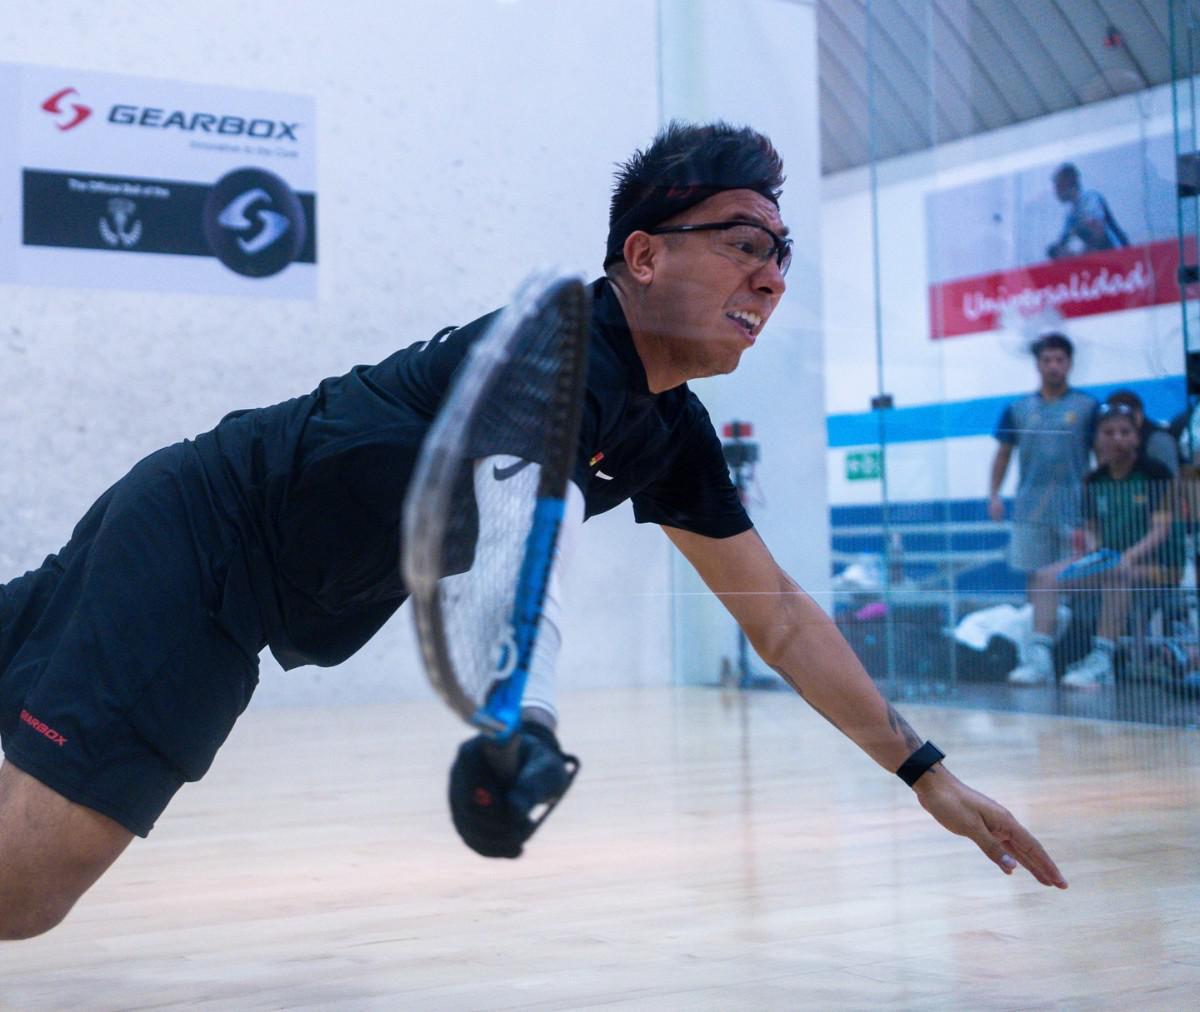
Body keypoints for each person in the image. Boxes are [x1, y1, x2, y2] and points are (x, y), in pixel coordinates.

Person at [0, 122, 1067, 941]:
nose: (773, 274)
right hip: (200, 555)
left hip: (202, 548)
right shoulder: (557, 346)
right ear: (642, 256)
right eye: (746, 244)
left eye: (782, 253)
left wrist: (927, 770)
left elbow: (779, 618)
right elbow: (519, 531)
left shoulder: (664, 430)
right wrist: (529, 717)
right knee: (26, 883)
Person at [1007, 402, 1184, 688]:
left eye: (1125, 432)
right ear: (1098, 438)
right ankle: (1039, 661)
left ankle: (1102, 662)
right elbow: (1092, 533)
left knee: (1117, 571)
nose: (1117, 438)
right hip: (1111, 561)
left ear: (1136, 437)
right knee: (1045, 577)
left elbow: (1160, 531)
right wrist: (1093, 549)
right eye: (1108, 432)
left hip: (1158, 567)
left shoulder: (1156, 473)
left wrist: (1124, 557)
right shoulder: (1092, 480)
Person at [989, 333, 1098, 676]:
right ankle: (1037, 657)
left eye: (1060, 359)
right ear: (1038, 364)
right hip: (1030, 510)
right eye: (1047, 359)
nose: (1053, 365)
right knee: (1037, 582)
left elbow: (1102, 458)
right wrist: (994, 494)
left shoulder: (1088, 408)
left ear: (1069, 363)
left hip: (1075, 512)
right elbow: (1004, 453)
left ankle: (1076, 653)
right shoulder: (1018, 409)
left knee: (1074, 583)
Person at [1045, 162, 1128, 260]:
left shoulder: (1091, 199)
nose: (1055, 191)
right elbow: (1064, 242)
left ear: (1068, 183)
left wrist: (1076, 249)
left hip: (1116, 257)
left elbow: (1097, 232)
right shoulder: (1071, 214)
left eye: (1058, 186)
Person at [1103, 388, 1179, 475]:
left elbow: (1168, 482)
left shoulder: (1159, 440)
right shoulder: (1106, 441)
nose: (1117, 437)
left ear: (1139, 415)